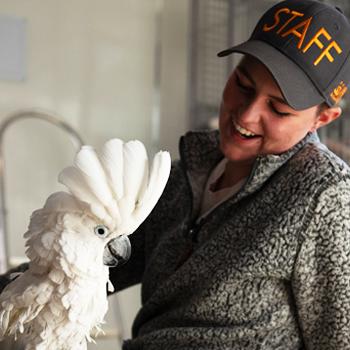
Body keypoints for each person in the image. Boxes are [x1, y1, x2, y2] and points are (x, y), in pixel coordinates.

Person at [1, 0, 350, 349]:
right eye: (243, 84)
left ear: (323, 118)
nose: (246, 115)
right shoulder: (187, 175)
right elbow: (66, 269)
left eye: (278, 108)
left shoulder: (326, 198)